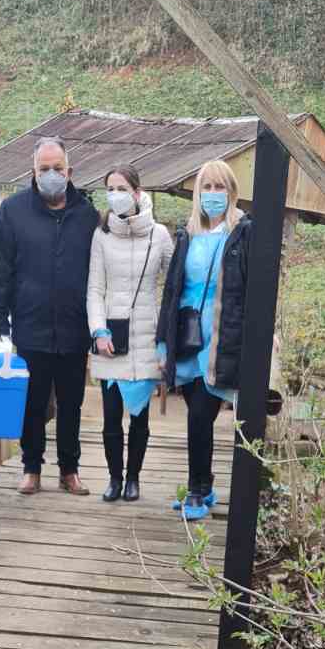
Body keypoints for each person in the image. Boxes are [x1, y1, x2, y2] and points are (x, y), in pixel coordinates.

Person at [0, 137, 98, 495]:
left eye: (57, 168)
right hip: (30, 325)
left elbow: (99, 274)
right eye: (44, 168)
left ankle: (69, 469)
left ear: (69, 171)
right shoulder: (13, 211)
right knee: (32, 402)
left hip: (74, 327)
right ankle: (31, 467)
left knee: (71, 404)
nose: (51, 174)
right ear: (32, 172)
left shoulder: (87, 215)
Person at [156, 159, 251, 520]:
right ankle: (203, 486)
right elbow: (172, 290)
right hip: (187, 334)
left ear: (231, 191)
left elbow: (252, 286)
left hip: (220, 335)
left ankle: (196, 491)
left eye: (219, 187)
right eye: (207, 187)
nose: (213, 194)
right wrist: (163, 342)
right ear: (198, 193)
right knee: (195, 417)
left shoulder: (242, 232)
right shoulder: (188, 234)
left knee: (200, 414)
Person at [87, 167, 173, 503]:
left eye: (121, 188)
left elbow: (176, 282)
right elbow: (95, 289)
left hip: (146, 338)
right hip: (112, 338)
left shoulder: (159, 235)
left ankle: (134, 478)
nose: (115, 195)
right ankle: (114, 478)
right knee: (111, 418)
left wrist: (166, 332)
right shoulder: (102, 235)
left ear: (137, 192)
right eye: (110, 188)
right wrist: (99, 330)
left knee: (139, 416)